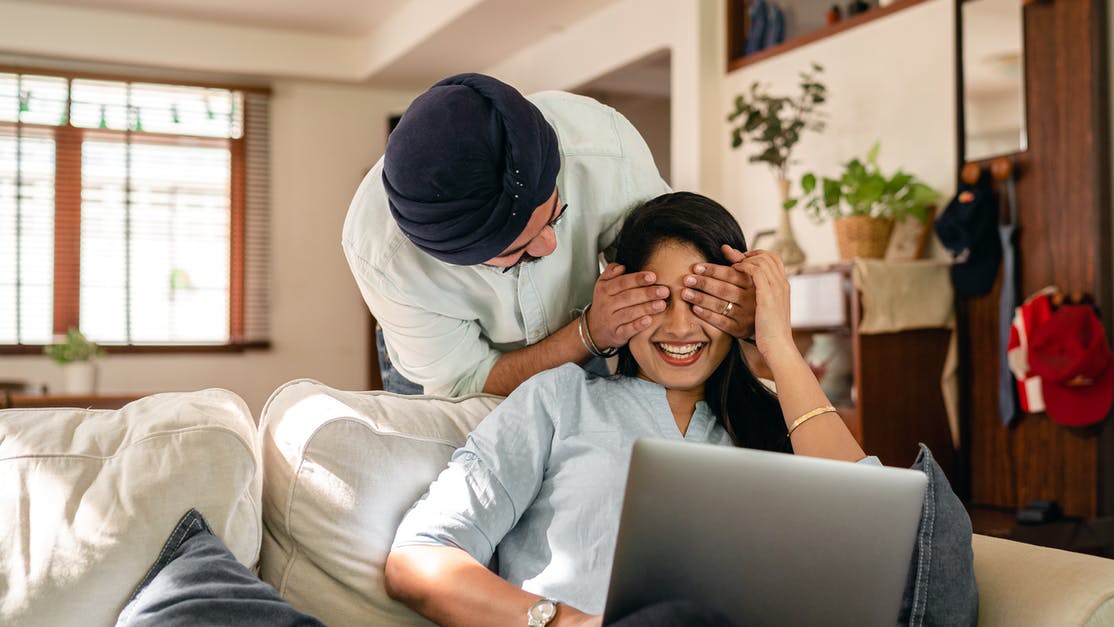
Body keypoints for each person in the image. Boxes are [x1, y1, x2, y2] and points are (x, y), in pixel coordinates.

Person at [384, 192, 977, 626]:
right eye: (657, 298)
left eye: (703, 299)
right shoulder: (560, 400)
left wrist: (777, 346)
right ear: (620, 295)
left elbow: (874, 546)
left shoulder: (772, 428)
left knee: (932, 511)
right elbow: (419, 558)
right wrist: (560, 622)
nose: (679, 326)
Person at [343, 73, 757, 397]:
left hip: (586, 330)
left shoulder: (604, 148)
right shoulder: (384, 256)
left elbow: (668, 257)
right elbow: (467, 384)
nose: (551, 246)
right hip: (454, 374)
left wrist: (746, 312)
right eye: (518, 250)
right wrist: (588, 333)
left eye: (555, 215)